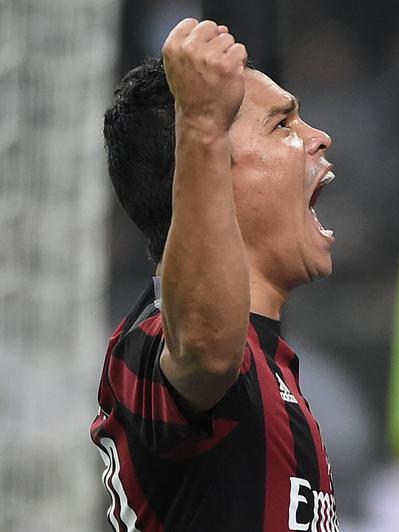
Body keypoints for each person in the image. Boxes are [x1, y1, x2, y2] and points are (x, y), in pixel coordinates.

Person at [90, 18, 339, 532]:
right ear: (211, 177)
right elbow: (205, 353)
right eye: (282, 125)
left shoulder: (273, 365)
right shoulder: (157, 341)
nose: (319, 137)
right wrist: (202, 121)